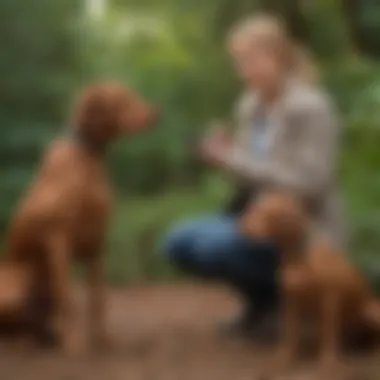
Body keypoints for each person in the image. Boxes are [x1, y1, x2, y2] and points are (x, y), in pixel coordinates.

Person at [162, 14, 346, 339]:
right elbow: (249, 178)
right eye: (239, 62)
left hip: (303, 227)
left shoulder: (311, 106)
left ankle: (284, 306)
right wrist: (223, 154)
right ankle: (259, 304)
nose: (243, 70)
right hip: (257, 216)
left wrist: (234, 159)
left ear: (278, 56)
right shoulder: (250, 106)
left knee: (213, 248)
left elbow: (312, 182)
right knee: (178, 241)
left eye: (250, 60)